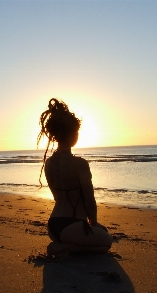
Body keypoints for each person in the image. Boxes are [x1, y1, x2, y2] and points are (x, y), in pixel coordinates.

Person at [37, 98, 113, 256]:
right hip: (73, 225)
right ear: (72, 134)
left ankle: (64, 243)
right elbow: (89, 200)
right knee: (106, 241)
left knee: (98, 237)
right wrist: (94, 223)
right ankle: (68, 247)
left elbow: (58, 198)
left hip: (53, 226)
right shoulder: (80, 164)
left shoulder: (49, 163)